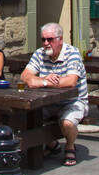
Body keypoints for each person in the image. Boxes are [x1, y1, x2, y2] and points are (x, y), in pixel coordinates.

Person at [20, 23, 88, 166]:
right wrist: (45, 79)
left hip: (73, 101)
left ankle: (70, 146)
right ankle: (51, 144)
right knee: (25, 117)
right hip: (47, 102)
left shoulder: (72, 53)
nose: (46, 43)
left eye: (50, 39)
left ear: (60, 39)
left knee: (67, 123)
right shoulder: (39, 53)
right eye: (43, 40)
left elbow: (71, 81)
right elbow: (25, 76)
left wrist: (41, 82)